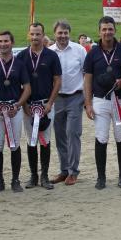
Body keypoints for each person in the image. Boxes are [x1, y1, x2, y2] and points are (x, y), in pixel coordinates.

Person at [83, 16, 121, 190]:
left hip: (118, 101)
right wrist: (87, 104)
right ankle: (101, 177)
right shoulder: (92, 53)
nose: (107, 32)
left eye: (110, 29)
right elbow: (87, 80)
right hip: (100, 101)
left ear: (115, 30)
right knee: (101, 137)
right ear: (99, 31)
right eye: (104, 29)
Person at [0, 30, 31, 194]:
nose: (3, 44)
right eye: (0, 41)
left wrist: (18, 105)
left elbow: (27, 88)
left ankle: (15, 180)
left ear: (12, 43)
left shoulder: (20, 64)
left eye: (6, 41)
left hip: (13, 110)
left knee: (15, 145)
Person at [19, 23, 62, 189]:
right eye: (32, 34)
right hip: (28, 106)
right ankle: (33, 176)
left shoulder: (51, 56)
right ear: (28, 35)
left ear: (43, 35)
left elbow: (57, 80)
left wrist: (50, 102)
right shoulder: (22, 56)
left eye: (38, 34)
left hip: (46, 105)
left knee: (45, 141)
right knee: (31, 140)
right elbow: (19, 84)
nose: (35, 37)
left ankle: (44, 175)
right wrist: (24, 106)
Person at [49, 20, 88, 186]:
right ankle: (64, 170)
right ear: (54, 34)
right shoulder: (49, 52)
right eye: (60, 33)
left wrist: (87, 98)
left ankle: (73, 171)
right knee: (60, 136)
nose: (63, 36)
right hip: (57, 99)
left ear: (69, 34)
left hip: (75, 97)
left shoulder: (79, 50)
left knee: (73, 133)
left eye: (65, 33)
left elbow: (87, 74)